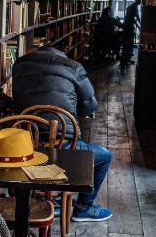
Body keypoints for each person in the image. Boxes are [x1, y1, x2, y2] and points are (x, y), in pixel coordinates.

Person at [12, 45, 113, 222]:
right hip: (65, 151)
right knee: (104, 156)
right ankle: (84, 208)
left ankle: (41, 200)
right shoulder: (73, 67)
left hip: (26, 149)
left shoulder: (19, 66)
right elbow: (90, 106)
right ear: (61, 55)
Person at [120, 0, 141, 69]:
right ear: (138, 0)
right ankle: (124, 61)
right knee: (128, 45)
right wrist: (140, 25)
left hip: (128, 28)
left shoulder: (133, 6)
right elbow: (136, 18)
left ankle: (126, 60)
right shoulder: (133, 7)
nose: (141, 1)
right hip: (128, 29)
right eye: (140, 0)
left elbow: (134, 18)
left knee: (128, 45)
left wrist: (139, 26)